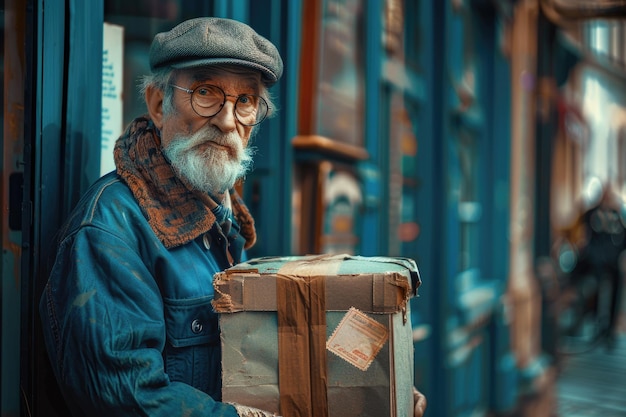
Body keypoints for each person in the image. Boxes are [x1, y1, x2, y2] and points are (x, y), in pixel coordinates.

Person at [39, 17, 426, 417]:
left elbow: (264, 354)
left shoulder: (219, 217)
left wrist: (380, 384)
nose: (227, 121)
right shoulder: (111, 229)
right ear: (158, 104)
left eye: (245, 102)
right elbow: (125, 398)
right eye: (206, 93)